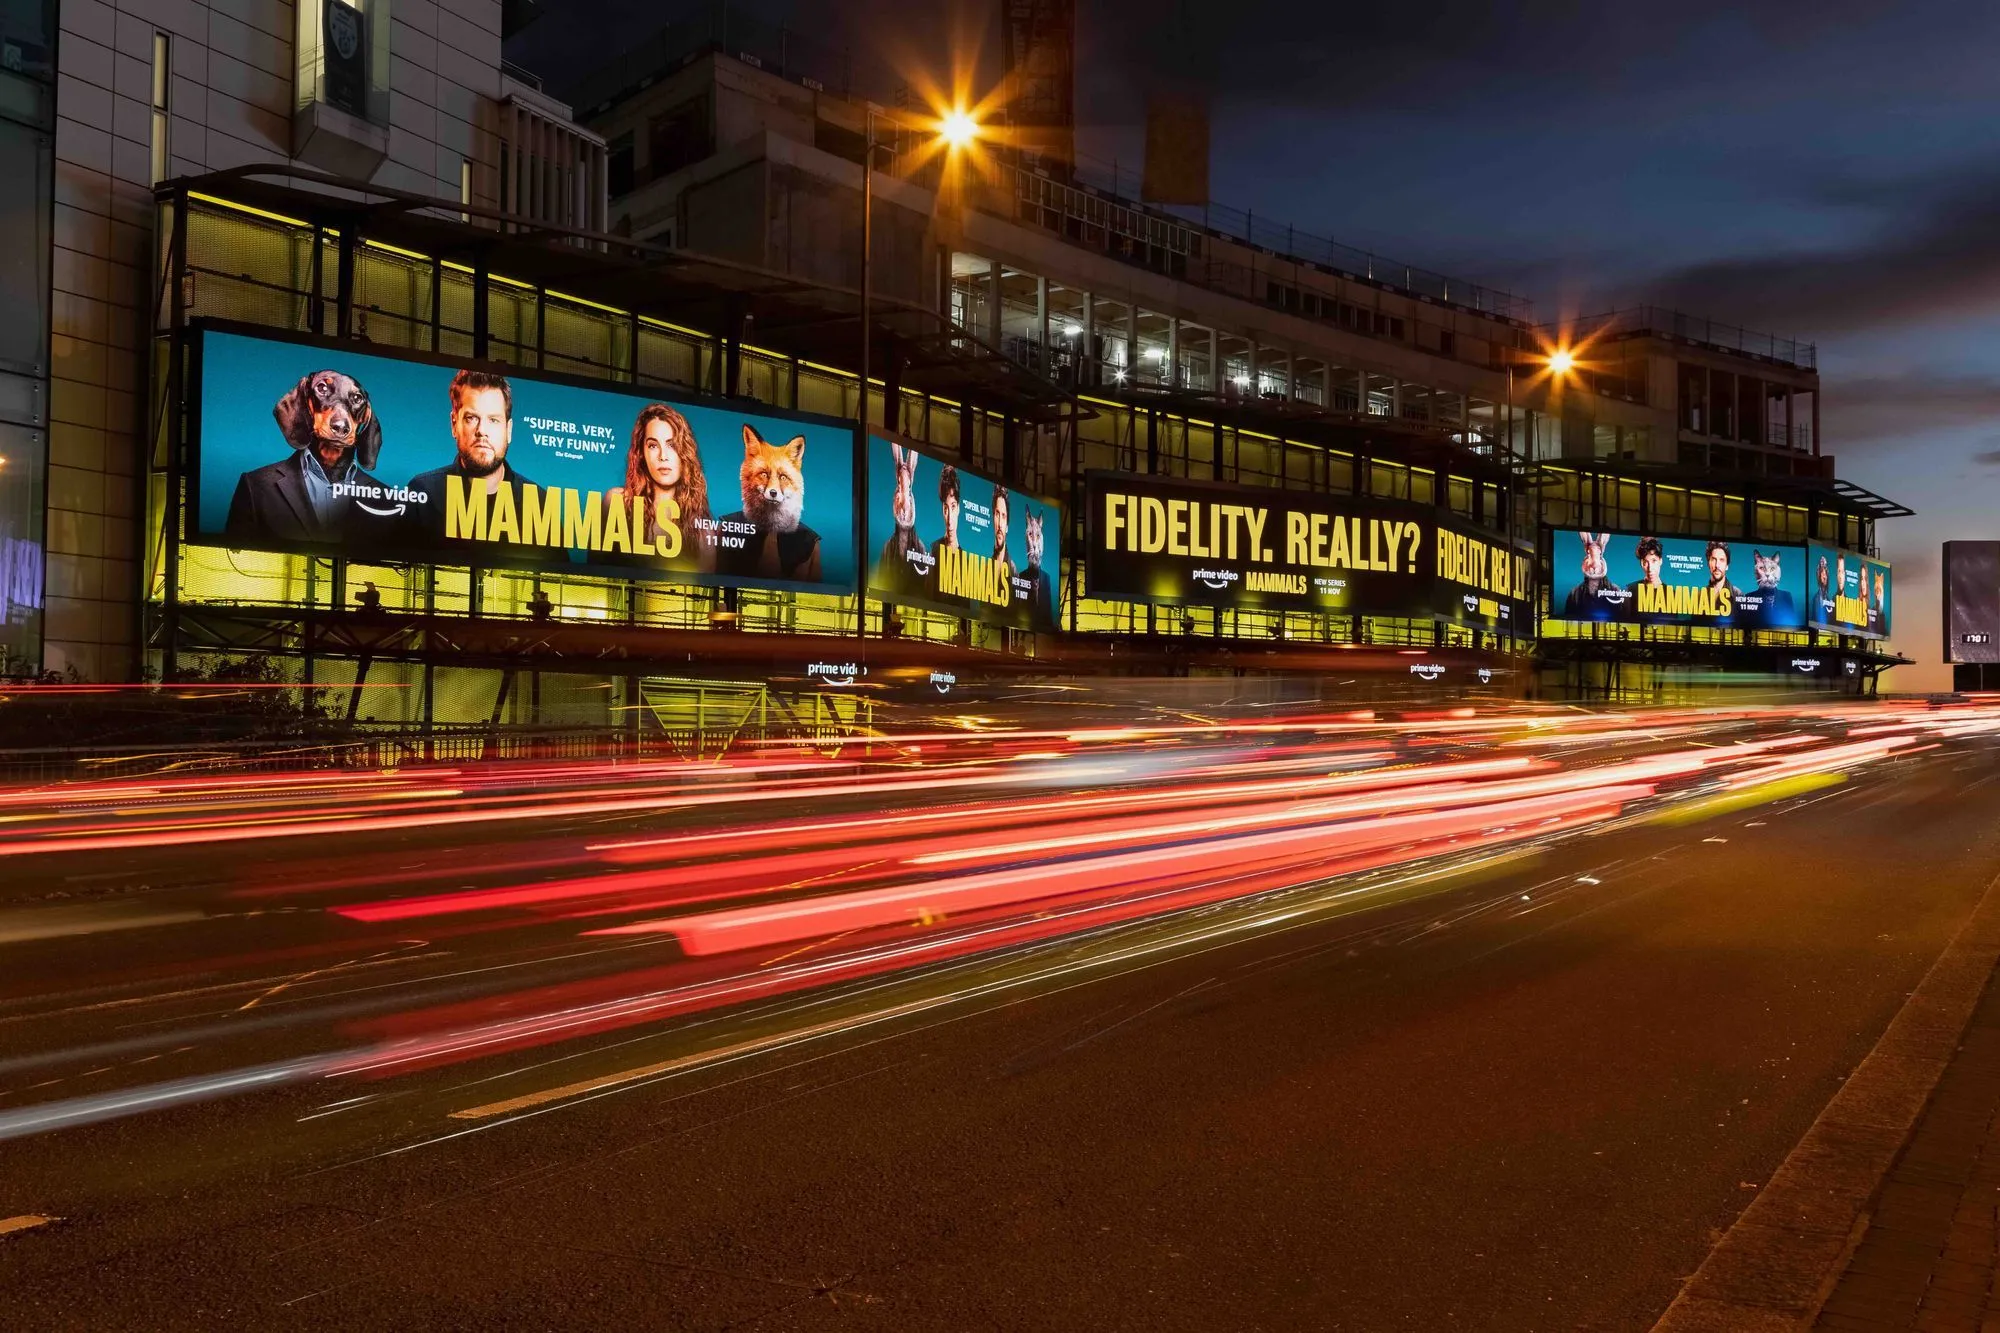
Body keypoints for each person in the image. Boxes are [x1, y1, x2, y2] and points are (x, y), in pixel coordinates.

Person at [226, 368, 388, 547]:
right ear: (305, 402)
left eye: (356, 399)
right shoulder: (255, 486)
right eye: (322, 389)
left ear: (365, 416)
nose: (341, 423)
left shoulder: (387, 498)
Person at [403, 369, 538, 548]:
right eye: (472, 418)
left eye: (494, 420)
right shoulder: (422, 493)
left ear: (509, 430)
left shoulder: (540, 504)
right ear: (454, 424)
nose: (482, 430)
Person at [606, 403, 714, 572]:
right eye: (653, 445)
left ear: (685, 453)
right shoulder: (616, 501)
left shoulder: (702, 530)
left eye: (672, 445)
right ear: (641, 453)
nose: (663, 456)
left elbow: (707, 587)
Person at [1562, 531, 1626, 621]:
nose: (1594, 565)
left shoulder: (1616, 591)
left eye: (1598, 554)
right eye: (1589, 554)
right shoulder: (1574, 594)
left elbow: (1622, 615)